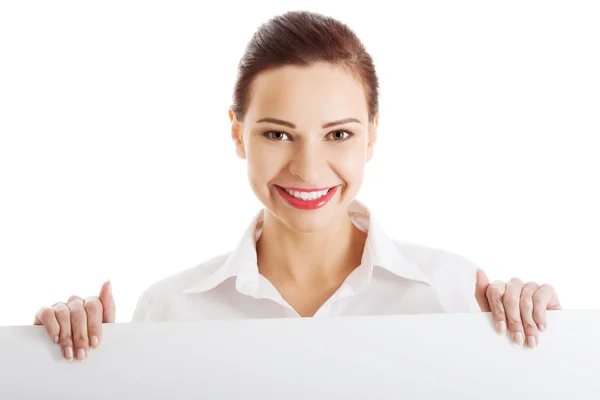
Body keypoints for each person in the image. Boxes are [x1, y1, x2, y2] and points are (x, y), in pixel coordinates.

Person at [34, 10, 561, 362]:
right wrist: (60, 361)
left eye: (338, 134)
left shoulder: (455, 295)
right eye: (278, 133)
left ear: (372, 136)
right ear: (239, 134)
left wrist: (551, 345)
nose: (308, 170)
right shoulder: (169, 311)